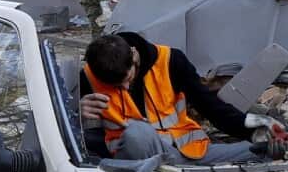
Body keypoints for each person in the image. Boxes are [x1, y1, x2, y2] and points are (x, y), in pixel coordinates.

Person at [79, 32, 260, 165]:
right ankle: (175, 168)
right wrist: (78, 114)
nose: (125, 88)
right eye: (116, 86)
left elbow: (210, 106)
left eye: (127, 79)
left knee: (257, 151)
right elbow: (84, 139)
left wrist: (253, 130)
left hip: (183, 151)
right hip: (132, 156)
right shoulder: (89, 76)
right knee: (138, 133)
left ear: (134, 55)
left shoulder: (171, 60)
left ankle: (177, 167)